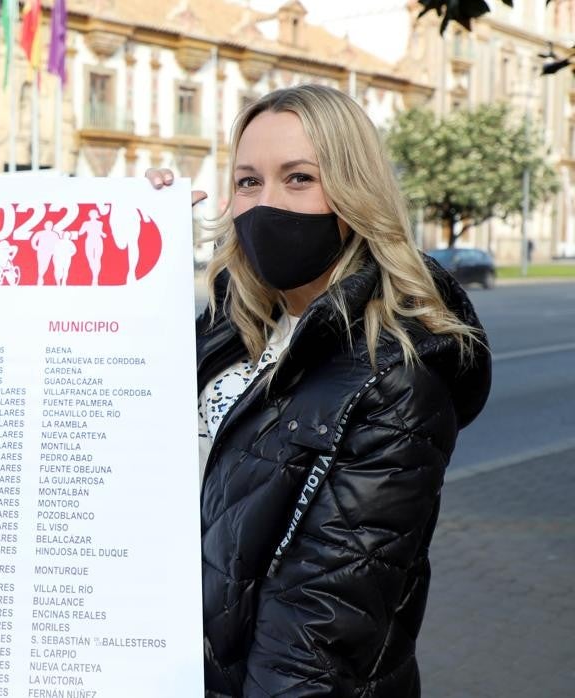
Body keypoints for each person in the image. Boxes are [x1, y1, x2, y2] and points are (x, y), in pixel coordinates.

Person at [149, 84, 491, 696]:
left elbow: (317, 632)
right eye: (248, 181)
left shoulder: (396, 372)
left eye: (299, 178)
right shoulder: (232, 325)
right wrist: (131, 245)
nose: (266, 203)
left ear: (354, 191)